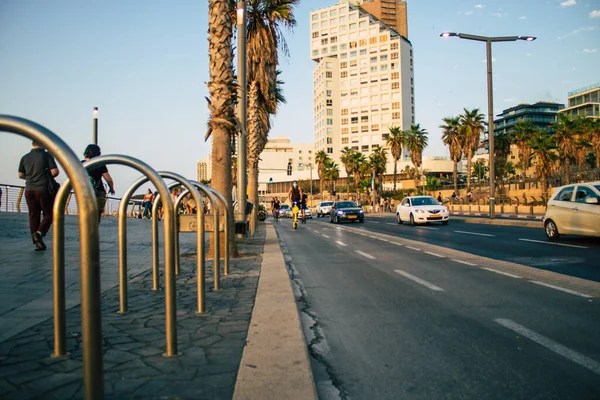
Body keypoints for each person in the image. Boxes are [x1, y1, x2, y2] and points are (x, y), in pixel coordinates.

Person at [18, 141, 60, 250]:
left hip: (29, 189)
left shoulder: (25, 157)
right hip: (43, 189)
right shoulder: (47, 155)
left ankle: (36, 241)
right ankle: (39, 234)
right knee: (49, 214)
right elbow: (54, 172)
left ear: (32, 144)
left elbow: (20, 175)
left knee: (33, 214)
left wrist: (31, 177)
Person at [83, 144, 115, 222]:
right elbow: (108, 179)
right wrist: (111, 188)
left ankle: (85, 230)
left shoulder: (80, 164)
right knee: (97, 214)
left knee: (85, 212)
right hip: (98, 191)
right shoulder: (99, 164)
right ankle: (94, 230)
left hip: (84, 192)